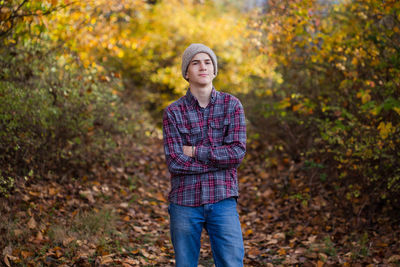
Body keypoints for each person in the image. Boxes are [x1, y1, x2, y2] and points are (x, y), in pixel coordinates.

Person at [162, 43, 247, 267]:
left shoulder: (232, 106)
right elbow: (175, 162)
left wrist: (196, 152)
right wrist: (219, 162)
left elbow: (237, 154)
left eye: (207, 62)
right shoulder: (173, 112)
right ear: (186, 72)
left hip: (222, 199)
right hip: (184, 201)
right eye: (195, 62)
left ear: (214, 69)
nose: (203, 67)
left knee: (232, 263)